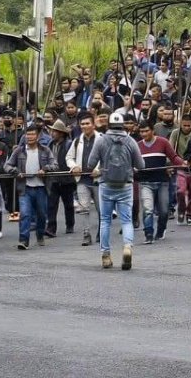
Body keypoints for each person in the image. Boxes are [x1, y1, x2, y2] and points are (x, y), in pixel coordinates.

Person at [84, 111, 145, 270]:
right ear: (123, 125)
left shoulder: (101, 140)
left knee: (105, 220)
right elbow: (141, 165)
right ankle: (127, 247)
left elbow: (90, 163)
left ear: (109, 125)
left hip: (106, 184)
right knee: (126, 220)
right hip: (125, 185)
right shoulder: (130, 141)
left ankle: (105, 255)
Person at [3, 125, 57, 250]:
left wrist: (45, 169)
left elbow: (54, 164)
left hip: (41, 187)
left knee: (42, 214)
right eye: (28, 134)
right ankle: (23, 239)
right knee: (25, 214)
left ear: (38, 136)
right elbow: (7, 165)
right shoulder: (19, 151)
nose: (30, 137)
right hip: (25, 188)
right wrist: (16, 171)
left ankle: (40, 234)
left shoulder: (45, 150)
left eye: (33, 134)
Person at [137, 121, 183, 243]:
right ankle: (148, 233)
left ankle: (161, 230)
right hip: (145, 182)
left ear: (152, 131)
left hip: (162, 181)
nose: (144, 134)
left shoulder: (163, 142)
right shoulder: (138, 146)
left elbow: (173, 157)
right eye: (141, 131)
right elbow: (133, 163)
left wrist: (183, 163)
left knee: (163, 211)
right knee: (148, 209)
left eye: (146, 131)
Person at [64, 113, 101, 247]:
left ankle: (102, 233)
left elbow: (107, 157)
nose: (85, 126)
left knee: (101, 209)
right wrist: (74, 166)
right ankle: (86, 234)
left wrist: (99, 169)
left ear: (93, 124)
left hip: (98, 180)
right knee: (84, 208)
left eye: (87, 123)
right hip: (82, 180)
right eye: (82, 124)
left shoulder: (101, 139)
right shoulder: (76, 141)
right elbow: (69, 157)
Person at [45, 119, 76, 238]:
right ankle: (51, 228)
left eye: (55, 131)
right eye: (52, 131)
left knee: (68, 204)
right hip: (53, 178)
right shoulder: (50, 145)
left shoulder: (69, 144)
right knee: (52, 204)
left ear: (61, 133)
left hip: (66, 178)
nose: (52, 133)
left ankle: (70, 224)